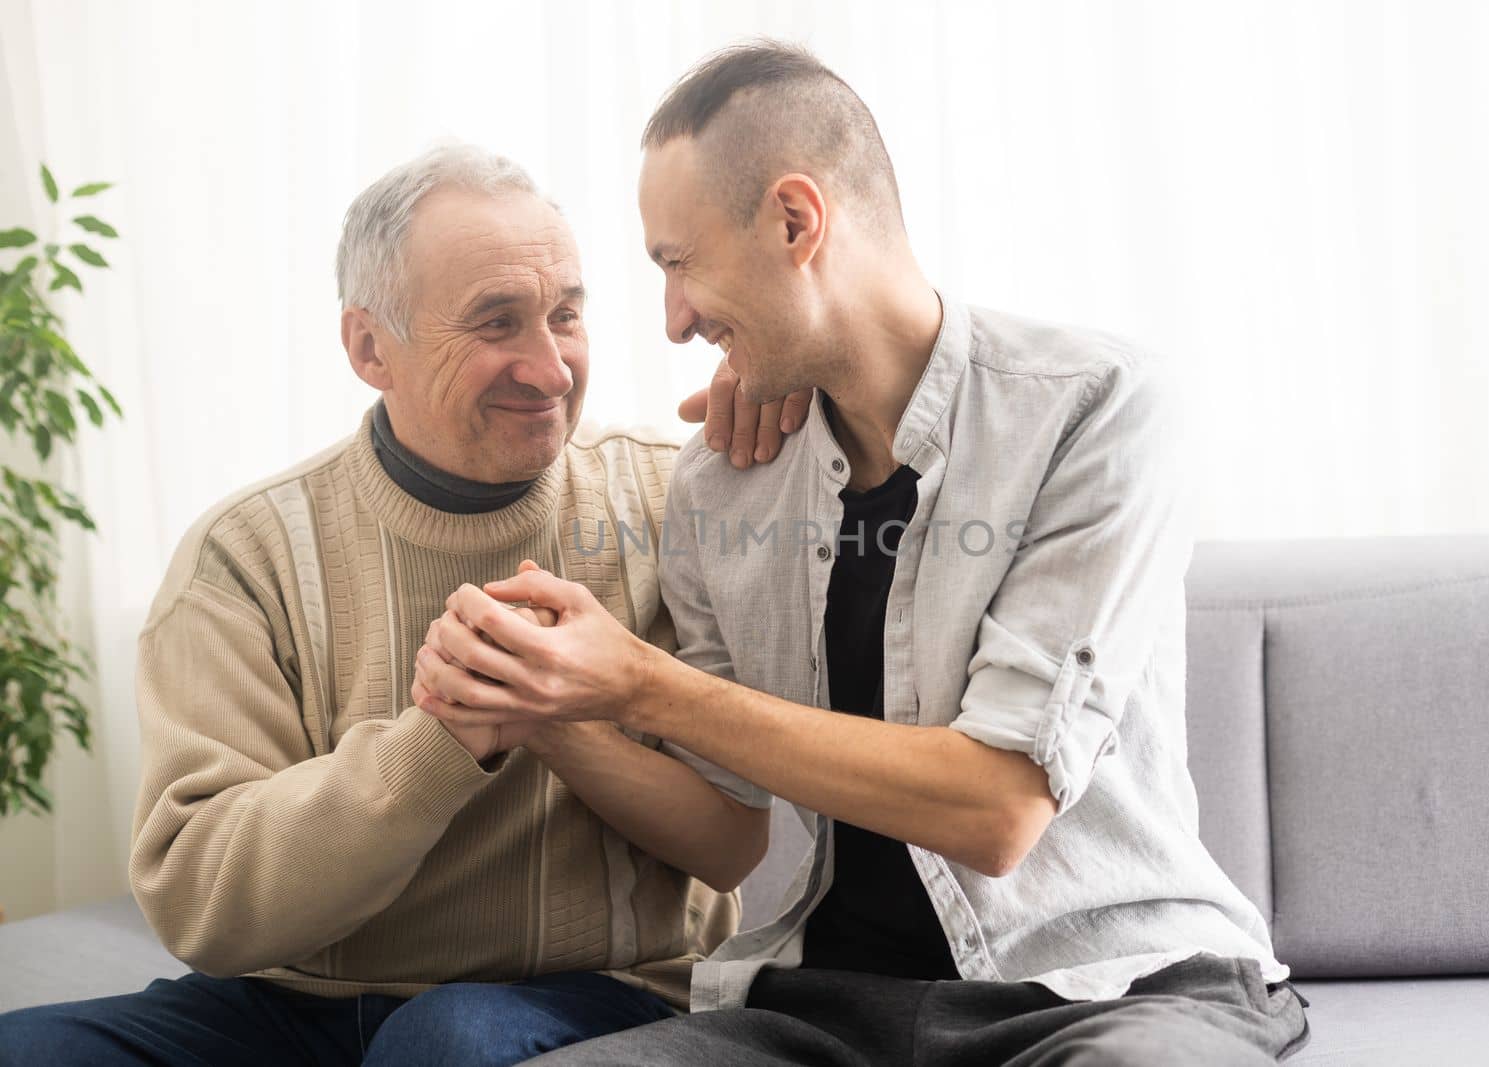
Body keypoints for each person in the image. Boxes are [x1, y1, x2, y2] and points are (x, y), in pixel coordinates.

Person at [414, 43, 1311, 1065]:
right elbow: (725, 827)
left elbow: (997, 805)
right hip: (831, 1006)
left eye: (678, 262)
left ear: (796, 220)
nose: (672, 320)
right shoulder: (723, 485)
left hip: (1114, 988)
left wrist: (643, 684)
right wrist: (553, 705)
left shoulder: (1093, 408)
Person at [0, 143, 805, 1067]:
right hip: (285, 1006)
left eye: (567, 315)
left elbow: (734, 847)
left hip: (604, 995)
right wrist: (442, 741)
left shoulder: (678, 501)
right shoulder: (243, 555)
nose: (550, 370)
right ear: (369, 347)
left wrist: (550, 713)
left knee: (439, 1043)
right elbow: (198, 898)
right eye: (497, 323)